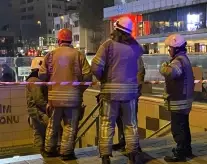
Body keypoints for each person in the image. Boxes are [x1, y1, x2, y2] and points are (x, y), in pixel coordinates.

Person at [91, 16, 143, 164]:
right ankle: (133, 155)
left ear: (116, 29)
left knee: (107, 123)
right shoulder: (136, 47)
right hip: (130, 94)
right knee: (130, 124)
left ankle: (106, 157)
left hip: (110, 93)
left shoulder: (108, 45)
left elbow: (95, 67)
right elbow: (140, 71)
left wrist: (103, 79)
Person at [39, 28, 92, 160]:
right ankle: (66, 153)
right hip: (72, 98)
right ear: (70, 40)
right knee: (70, 126)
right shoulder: (78, 55)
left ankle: (49, 150)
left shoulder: (50, 55)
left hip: (54, 99)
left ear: (59, 40)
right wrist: (79, 90)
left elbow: (42, 75)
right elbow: (88, 76)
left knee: (53, 125)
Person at [159, 34, 195, 162]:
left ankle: (180, 153)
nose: (169, 50)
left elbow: (170, 72)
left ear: (176, 48)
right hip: (184, 101)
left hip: (178, 102)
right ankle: (187, 150)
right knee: (184, 126)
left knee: (177, 128)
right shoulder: (184, 59)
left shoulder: (178, 61)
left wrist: (163, 66)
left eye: (170, 48)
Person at [112, 56, 146, 152]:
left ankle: (134, 145)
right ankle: (123, 142)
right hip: (118, 94)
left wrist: (137, 90)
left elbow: (140, 72)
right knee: (119, 119)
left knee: (131, 120)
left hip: (129, 94)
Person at [26, 57, 49, 153]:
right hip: (39, 111)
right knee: (52, 131)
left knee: (39, 133)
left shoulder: (32, 79)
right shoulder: (35, 80)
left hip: (35, 111)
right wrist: (48, 108)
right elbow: (39, 99)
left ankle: (38, 156)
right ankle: (41, 154)